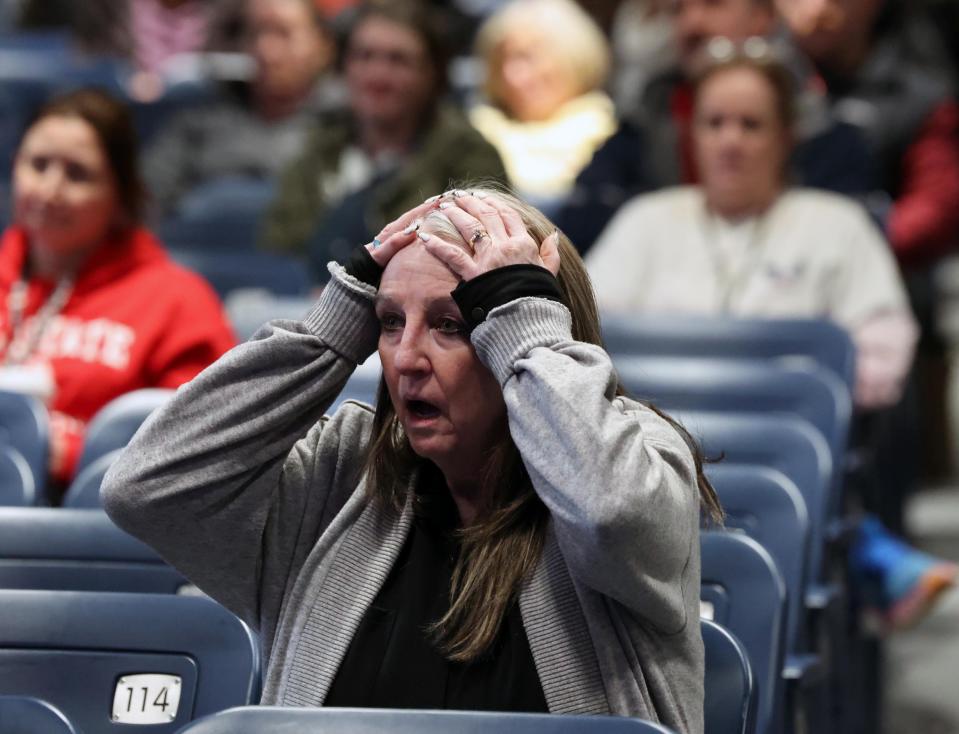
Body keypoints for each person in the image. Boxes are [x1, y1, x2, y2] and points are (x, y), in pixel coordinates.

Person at [102, 185, 721, 732]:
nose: (405, 358)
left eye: (452, 325)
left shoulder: (638, 457)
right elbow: (149, 487)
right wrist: (334, 328)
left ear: (532, 327)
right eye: (391, 321)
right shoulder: (342, 474)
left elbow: (609, 512)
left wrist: (527, 331)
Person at [585, 46, 957, 628]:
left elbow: (883, 348)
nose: (730, 141)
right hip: (648, 460)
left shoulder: (838, 224)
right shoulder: (645, 221)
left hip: (784, 470)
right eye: (714, 123)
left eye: (751, 124)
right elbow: (584, 341)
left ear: (787, 136)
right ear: (692, 133)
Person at [0, 88, 235, 496]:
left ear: (120, 195)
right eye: (38, 165)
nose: (50, 189)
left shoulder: (177, 300)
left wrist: (70, 454)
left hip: (98, 525)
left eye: (78, 174)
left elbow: (203, 446)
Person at [556, 0, 876, 254]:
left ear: (763, 16)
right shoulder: (643, 120)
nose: (691, 24)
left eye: (713, 4)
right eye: (679, 9)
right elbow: (578, 230)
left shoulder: (828, 138)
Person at [259, 0, 508, 283]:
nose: (377, 75)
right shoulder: (319, 147)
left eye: (398, 60)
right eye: (364, 56)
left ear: (433, 74)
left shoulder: (470, 154)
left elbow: (482, 260)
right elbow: (280, 245)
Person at [142, 0, 341, 220]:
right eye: (255, 33)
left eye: (283, 33)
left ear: (323, 46)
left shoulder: (346, 122)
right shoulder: (202, 114)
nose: (266, 50)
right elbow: (147, 200)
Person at [468, 0, 617, 213]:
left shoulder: (610, 137)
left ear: (573, 58)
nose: (513, 76)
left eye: (528, 57)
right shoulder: (474, 134)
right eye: (502, 61)